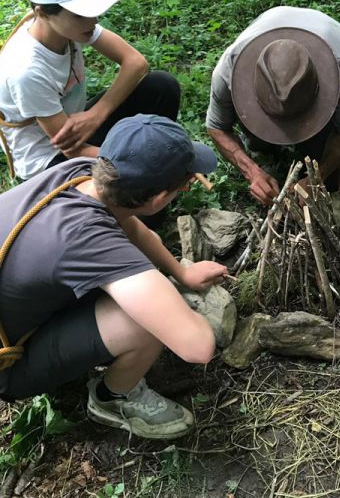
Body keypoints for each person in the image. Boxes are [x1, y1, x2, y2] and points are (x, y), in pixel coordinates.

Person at [0, 114, 229, 439]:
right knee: (145, 324)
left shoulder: (80, 173)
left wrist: (182, 272)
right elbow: (198, 347)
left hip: (16, 310)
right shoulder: (86, 238)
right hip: (8, 366)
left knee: (148, 276)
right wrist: (174, 301)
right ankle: (113, 398)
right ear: (159, 199)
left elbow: (132, 227)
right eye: (185, 184)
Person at [0, 0, 181, 180]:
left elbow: (136, 63)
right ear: (42, 12)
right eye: (80, 14)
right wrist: (146, 163)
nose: (93, 20)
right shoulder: (25, 70)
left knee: (160, 87)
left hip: (79, 127)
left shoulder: (68, 27)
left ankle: (152, 174)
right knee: (129, 179)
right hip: (50, 159)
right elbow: (73, 150)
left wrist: (97, 114)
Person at [206, 6, 340, 205]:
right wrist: (252, 172)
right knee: (259, 142)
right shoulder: (229, 68)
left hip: (331, 47)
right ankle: (261, 145)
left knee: (327, 165)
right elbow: (216, 127)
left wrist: (316, 178)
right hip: (272, 21)